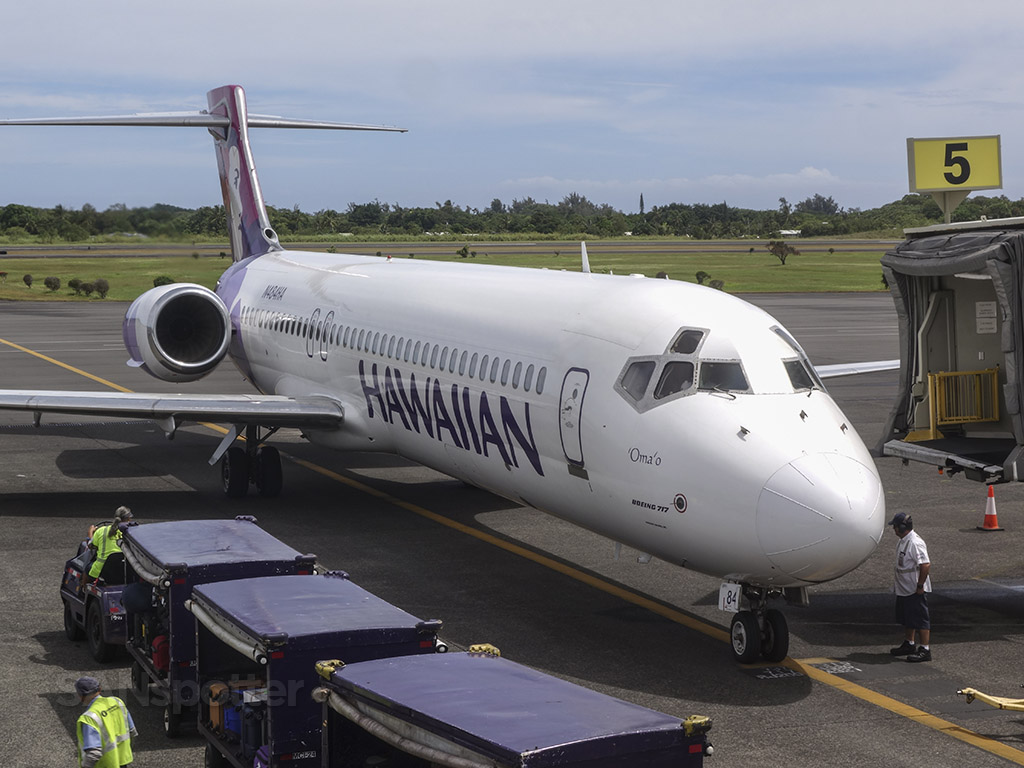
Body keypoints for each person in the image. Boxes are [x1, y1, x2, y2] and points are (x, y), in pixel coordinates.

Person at [888, 512, 932, 662]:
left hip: (913, 587)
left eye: (895, 527)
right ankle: (909, 643)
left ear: (902, 527)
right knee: (907, 616)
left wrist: (920, 585)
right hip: (904, 586)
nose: (894, 530)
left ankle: (925, 649)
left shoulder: (914, 543)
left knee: (920, 618)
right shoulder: (903, 541)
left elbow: (925, 565)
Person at [74, 676, 137, 767]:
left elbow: (94, 753)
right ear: (99, 689)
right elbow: (132, 732)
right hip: (123, 762)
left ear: (80, 696)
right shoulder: (117, 702)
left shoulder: (89, 717)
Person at [87, 506, 133, 582]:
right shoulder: (131, 533)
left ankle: (84, 587)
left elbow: (90, 545)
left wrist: (90, 532)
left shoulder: (101, 530)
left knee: (87, 568)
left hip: (101, 571)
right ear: (128, 519)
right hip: (125, 571)